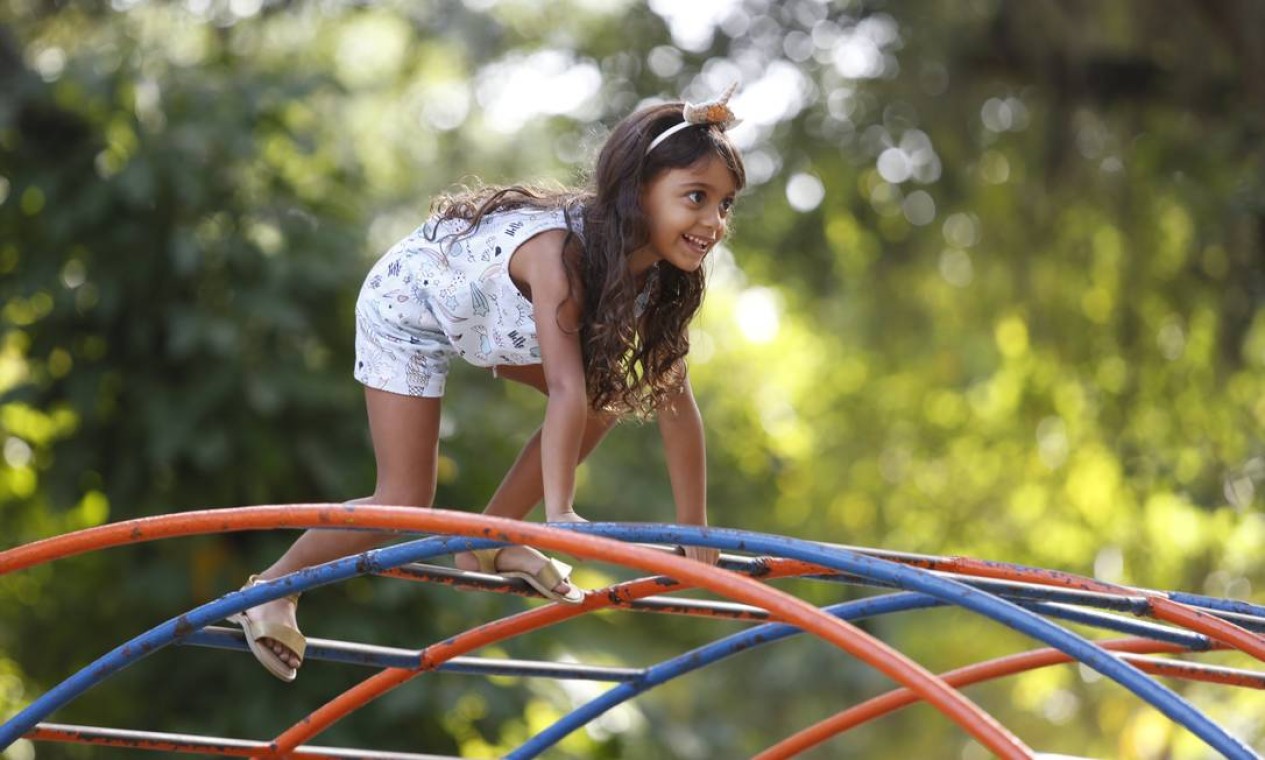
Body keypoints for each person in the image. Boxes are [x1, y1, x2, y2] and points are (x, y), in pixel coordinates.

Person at [229, 86, 747, 681]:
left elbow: (676, 404)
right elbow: (564, 389)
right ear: (636, 192)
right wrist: (561, 515)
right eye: (696, 198)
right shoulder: (563, 257)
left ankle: (487, 540)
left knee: (613, 397)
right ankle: (270, 591)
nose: (713, 222)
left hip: (495, 323)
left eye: (726, 205)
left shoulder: (657, 280)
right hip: (410, 304)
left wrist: (694, 526)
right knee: (402, 499)